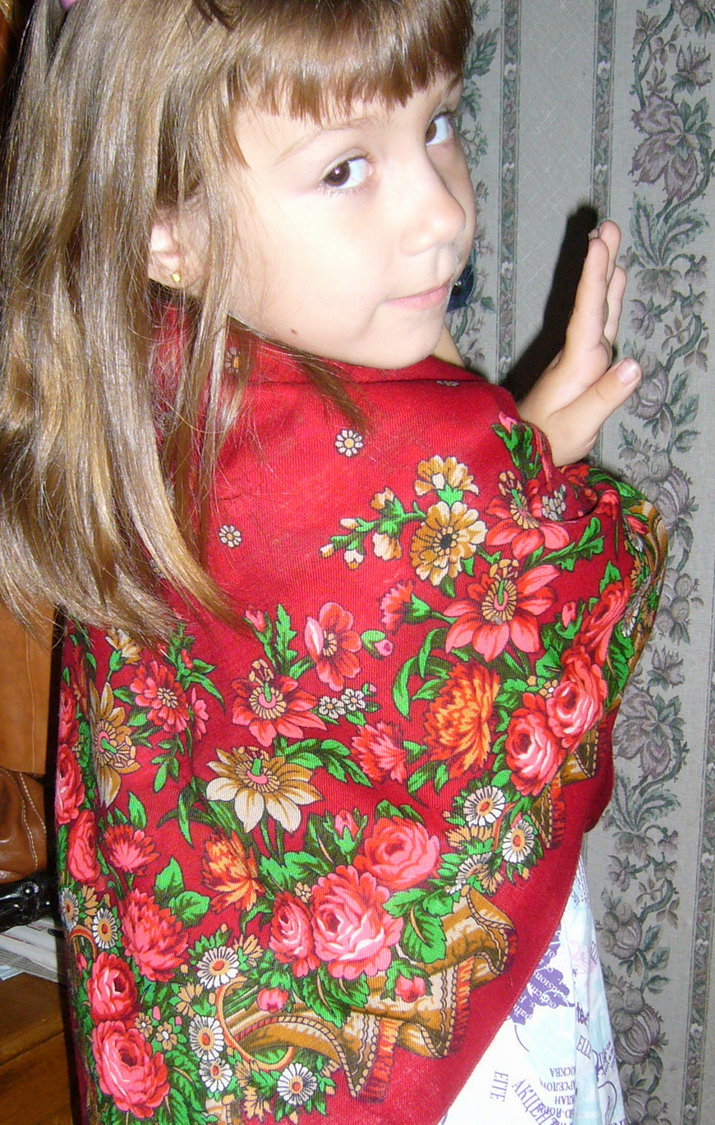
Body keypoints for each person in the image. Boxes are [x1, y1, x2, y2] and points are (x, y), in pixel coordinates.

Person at [0, 2, 664, 1124]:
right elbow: (576, 582)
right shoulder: (332, 457)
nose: (439, 212)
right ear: (168, 228)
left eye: (436, 121)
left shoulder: (158, 390)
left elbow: (420, 544)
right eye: (345, 167)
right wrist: (527, 473)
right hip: (447, 1065)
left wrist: (504, 448)